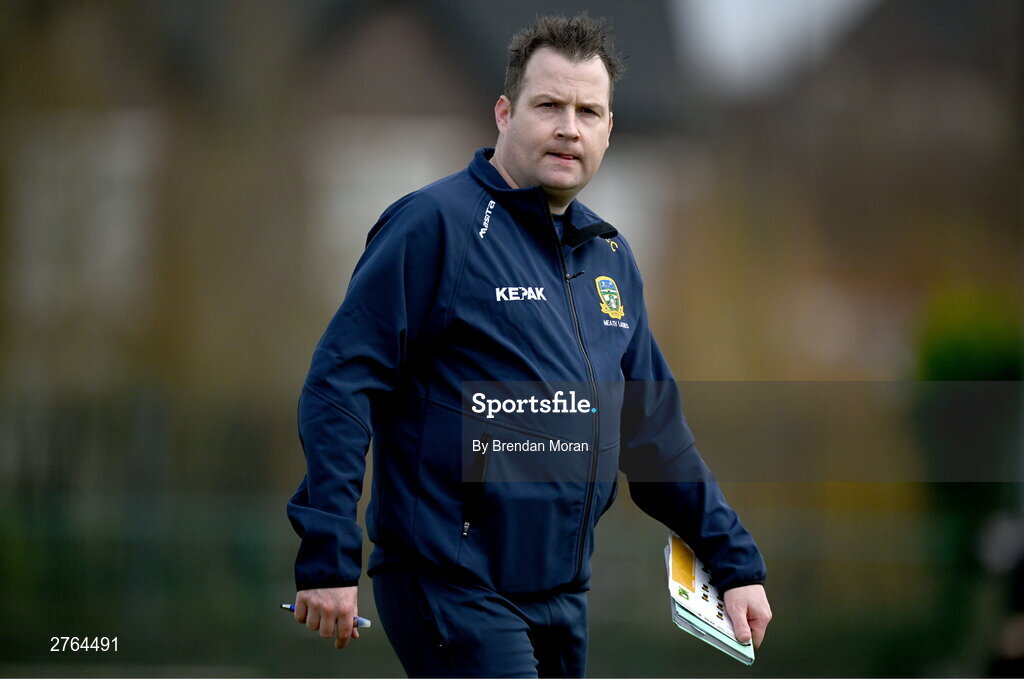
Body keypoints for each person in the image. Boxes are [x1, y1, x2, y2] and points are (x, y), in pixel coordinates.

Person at [287, 13, 771, 678]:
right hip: (450, 583)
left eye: (587, 111)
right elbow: (340, 384)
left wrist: (733, 561)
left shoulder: (609, 259)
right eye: (548, 106)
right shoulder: (435, 227)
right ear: (504, 113)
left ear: (608, 129)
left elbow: (656, 436)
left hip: (562, 596)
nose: (569, 127)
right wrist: (328, 550)